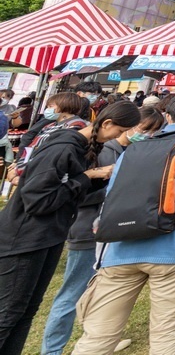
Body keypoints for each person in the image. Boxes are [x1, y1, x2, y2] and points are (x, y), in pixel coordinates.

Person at [73, 92, 175, 355]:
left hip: (119, 249)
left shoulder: (135, 147)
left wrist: (101, 254)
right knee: (167, 337)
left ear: (167, 116)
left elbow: (111, 200)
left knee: (96, 338)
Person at [0, 101, 139, 355]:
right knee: (9, 314)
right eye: (119, 132)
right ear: (106, 124)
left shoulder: (83, 148)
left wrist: (98, 179)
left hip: (50, 236)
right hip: (24, 239)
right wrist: (88, 177)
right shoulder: (63, 148)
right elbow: (38, 201)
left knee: (26, 311)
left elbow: (71, 193)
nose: (120, 138)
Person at [41, 105, 164, 355]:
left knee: (95, 289)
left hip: (107, 231)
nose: (146, 135)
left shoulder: (125, 150)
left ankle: (98, 337)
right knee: (71, 293)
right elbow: (79, 194)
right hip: (87, 230)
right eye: (143, 129)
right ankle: (52, 349)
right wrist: (118, 189)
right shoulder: (106, 151)